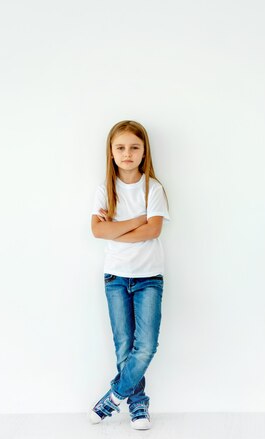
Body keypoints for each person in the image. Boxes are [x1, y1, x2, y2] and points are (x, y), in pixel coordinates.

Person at [88, 120, 171, 430]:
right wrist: (137, 221)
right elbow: (97, 230)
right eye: (121, 147)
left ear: (144, 151)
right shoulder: (104, 190)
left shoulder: (153, 188)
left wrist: (116, 229)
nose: (127, 153)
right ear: (111, 152)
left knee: (146, 345)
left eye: (134, 147)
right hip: (115, 278)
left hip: (149, 277)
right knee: (124, 345)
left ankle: (114, 395)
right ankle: (137, 404)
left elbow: (154, 229)